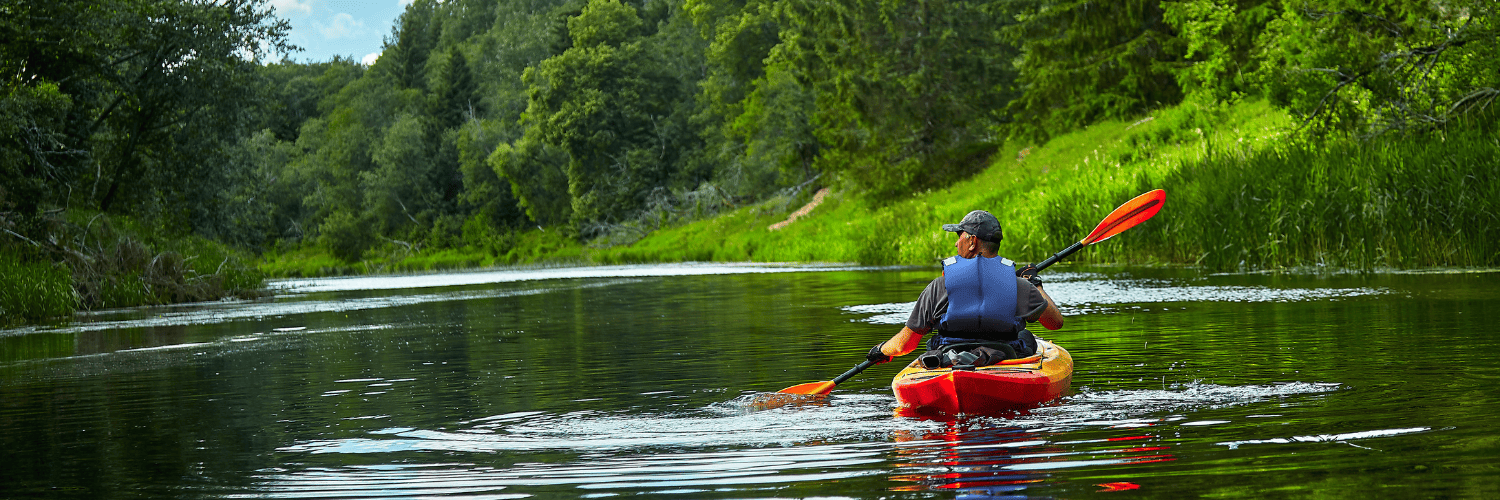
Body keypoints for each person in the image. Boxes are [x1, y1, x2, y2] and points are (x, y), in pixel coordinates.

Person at [866, 209, 1063, 368]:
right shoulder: (1019, 285)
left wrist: (882, 350)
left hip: (949, 359)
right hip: (1003, 357)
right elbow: (1055, 322)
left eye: (959, 235)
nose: (955, 242)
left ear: (972, 241)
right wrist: (1034, 284)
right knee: (1025, 336)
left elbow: (904, 345)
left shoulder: (939, 286)